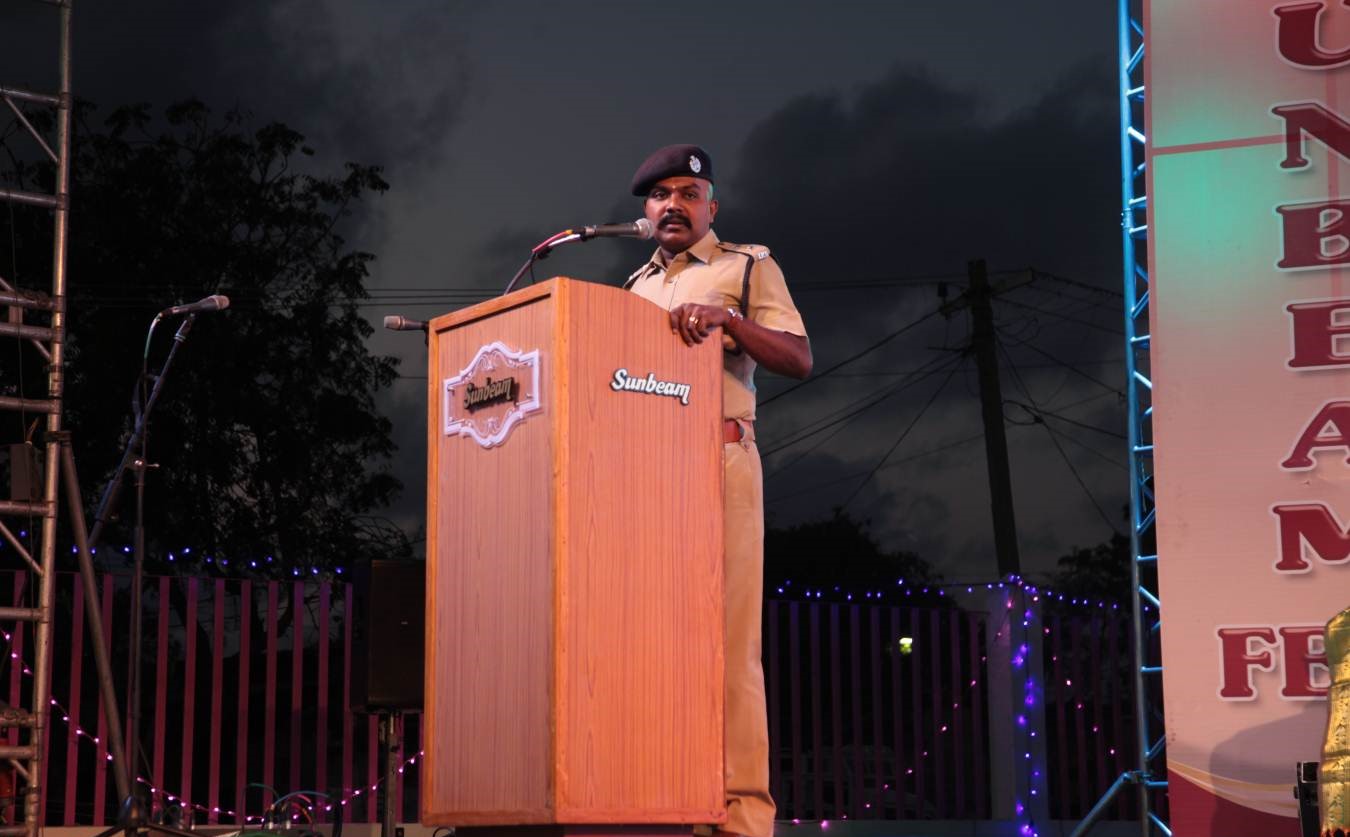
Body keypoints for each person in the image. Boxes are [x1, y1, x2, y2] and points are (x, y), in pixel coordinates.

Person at [624, 144, 812, 837]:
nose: (673, 205)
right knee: (649, 642)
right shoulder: (633, 289)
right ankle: (664, 799)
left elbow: (799, 358)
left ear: (712, 206)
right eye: (660, 195)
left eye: (688, 193)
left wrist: (730, 321)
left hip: (717, 457)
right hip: (644, 474)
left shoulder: (746, 265)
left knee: (729, 647)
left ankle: (742, 817)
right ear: (646, 211)